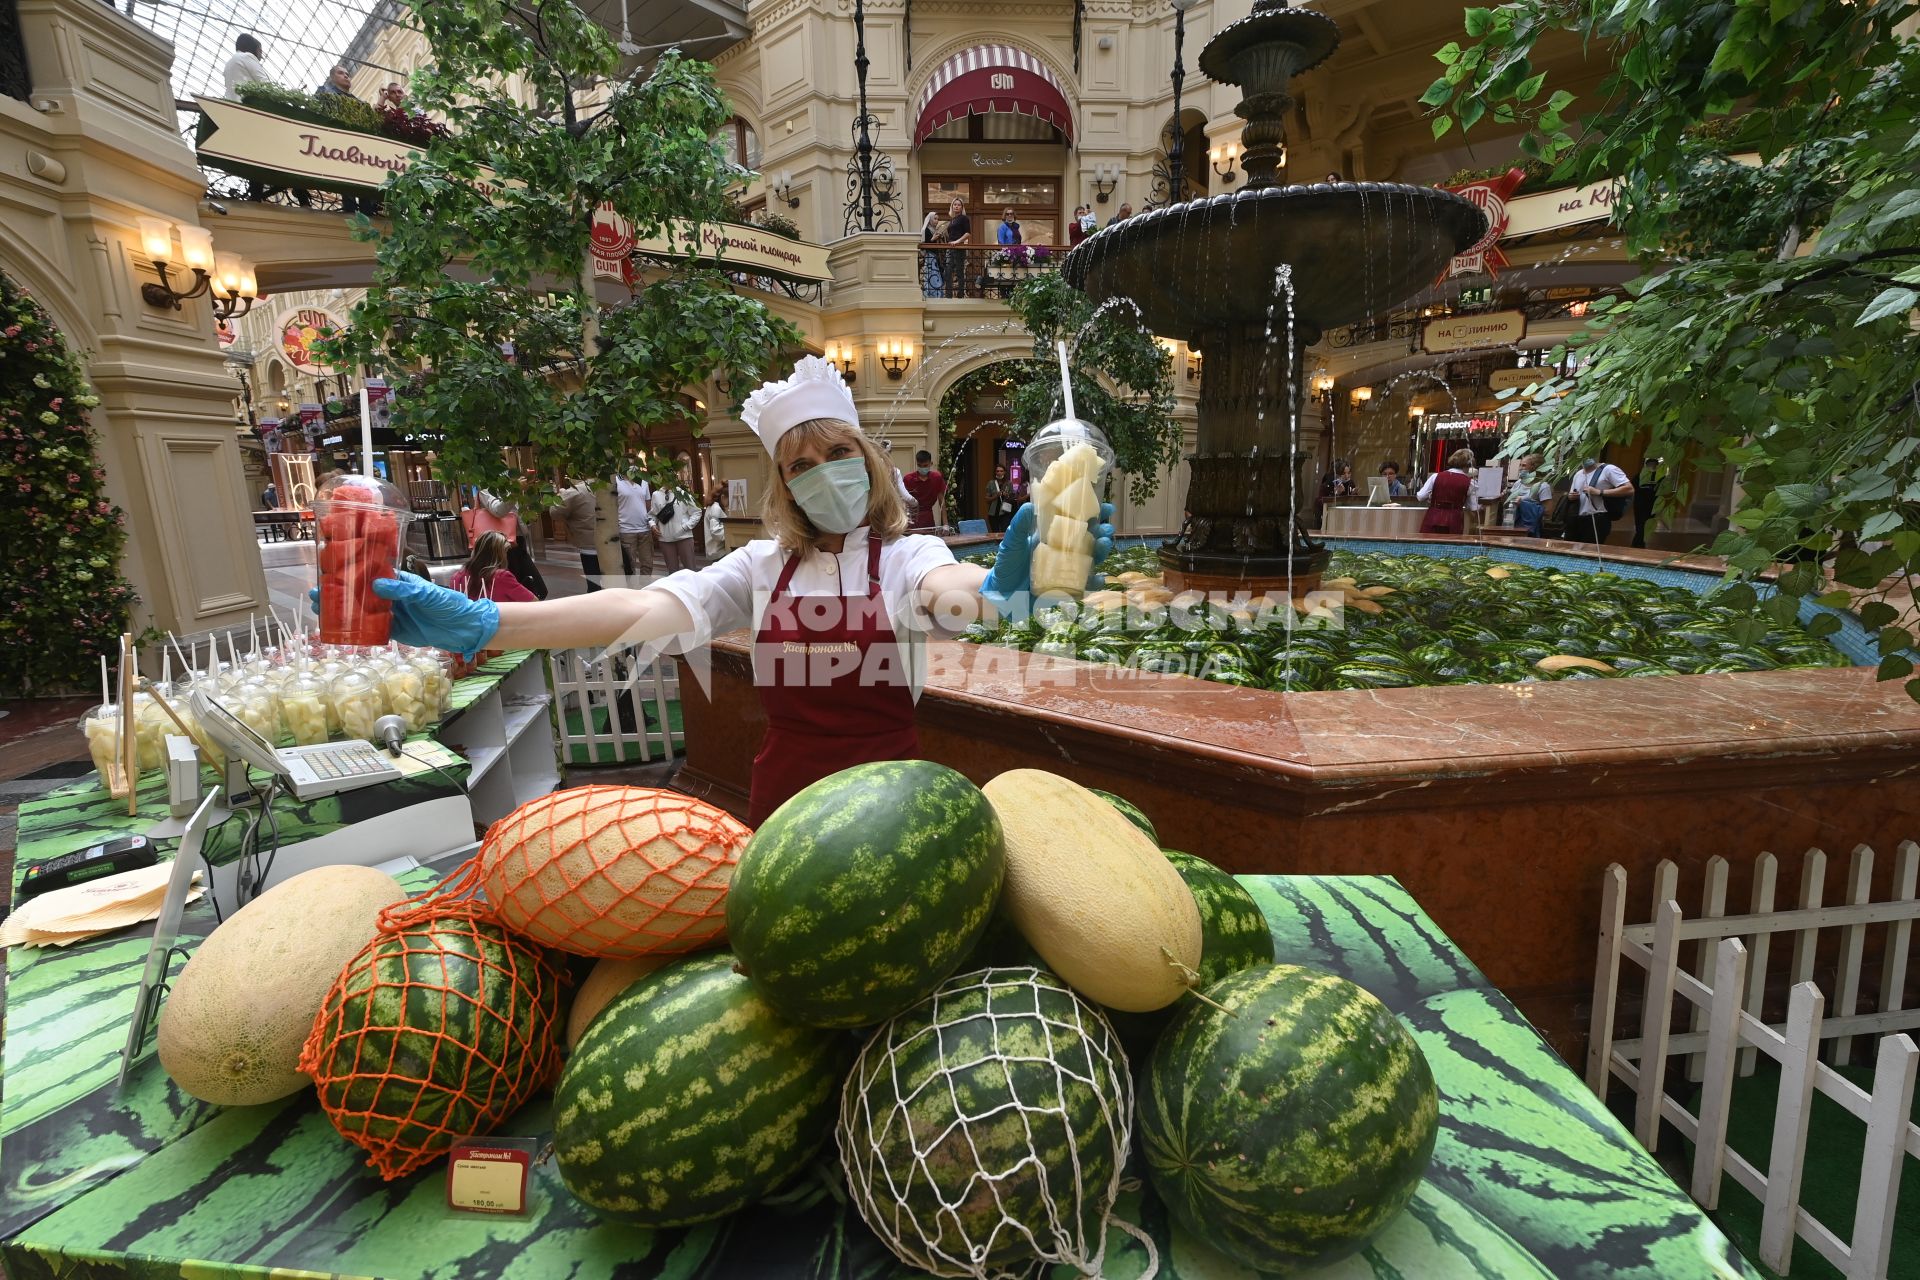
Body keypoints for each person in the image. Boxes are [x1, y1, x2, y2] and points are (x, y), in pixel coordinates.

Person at [339, 356, 1114, 823]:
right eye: (799, 465)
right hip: (784, 795)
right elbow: (645, 608)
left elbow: (956, 593)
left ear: (868, 461)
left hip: (894, 798)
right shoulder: (761, 567)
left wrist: (1009, 585)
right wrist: (486, 621)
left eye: (837, 453)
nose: (822, 473)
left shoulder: (906, 556)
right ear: (782, 484)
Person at [450, 530, 538, 603]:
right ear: (500, 554)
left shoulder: (456, 577)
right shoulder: (501, 577)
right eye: (506, 551)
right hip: (497, 622)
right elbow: (533, 601)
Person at [1567, 455, 1633, 545]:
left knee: (1590, 552)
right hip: (1577, 519)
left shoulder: (1608, 469)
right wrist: (1571, 497)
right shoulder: (1578, 474)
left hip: (1597, 519)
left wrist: (1599, 492)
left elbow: (1629, 489)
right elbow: (1572, 494)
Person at [1417, 448, 1480, 535]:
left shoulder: (1436, 476)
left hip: (1433, 517)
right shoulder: (1470, 483)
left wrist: (1432, 496)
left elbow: (1420, 496)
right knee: (1450, 546)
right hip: (1455, 521)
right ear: (1468, 466)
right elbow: (1474, 507)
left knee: (1428, 545)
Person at [559, 477, 605, 591]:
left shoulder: (575, 491)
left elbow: (555, 511)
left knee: (594, 585)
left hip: (589, 546)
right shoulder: (610, 486)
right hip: (613, 544)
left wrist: (562, 494)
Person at [651, 479, 699, 574]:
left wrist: (685, 527)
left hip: (684, 537)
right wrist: (652, 525)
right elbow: (653, 514)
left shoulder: (682, 493)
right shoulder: (656, 494)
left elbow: (697, 512)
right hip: (665, 538)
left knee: (690, 570)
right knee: (672, 572)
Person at [615, 471, 655, 577]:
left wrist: (650, 523)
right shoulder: (616, 481)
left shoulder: (643, 481)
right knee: (629, 567)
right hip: (625, 530)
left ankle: (644, 590)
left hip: (645, 530)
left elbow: (648, 506)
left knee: (647, 565)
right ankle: (631, 592)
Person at [1507, 453, 1554, 538]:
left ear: (1534, 468)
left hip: (1531, 530)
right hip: (1512, 525)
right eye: (1520, 465)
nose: (1520, 468)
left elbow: (1548, 511)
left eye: (1524, 466)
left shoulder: (1543, 486)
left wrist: (1524, 503)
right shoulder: (1518, 483)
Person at [903, 450, 947, 532]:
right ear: (916, 464)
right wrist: (903, 522)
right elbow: (903, 502)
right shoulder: (908, 479)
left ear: (931, 463)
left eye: (925, 465)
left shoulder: (937, 478)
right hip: (912, 520)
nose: (922, 468)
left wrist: (945, 524)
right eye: (920, 466)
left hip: (928, 519)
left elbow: (942, 501)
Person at [942, 197, 972, 299]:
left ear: (962, 207)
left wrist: (957, 242)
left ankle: (960, 296)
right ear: (952, 206)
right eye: (955, 204)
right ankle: (948, 295)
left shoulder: (964, 218)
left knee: (959, 272)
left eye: (958, 205)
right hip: (950, 248)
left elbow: (968, 233)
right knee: (948, 272)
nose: (956, 206)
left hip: (959, 248)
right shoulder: (953, 220)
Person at [1633, 458, 1662, 549]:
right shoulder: (1640, 475)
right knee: (1640, 523)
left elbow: (1662, 489)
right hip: (1640, 504)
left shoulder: (1660, 477)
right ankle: (1639, 541)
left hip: (1652, 505)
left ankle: (1639, 541)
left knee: (1646, 523)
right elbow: (1632, 487)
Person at [920, 210, 946, 297]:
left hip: (936, 256)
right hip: (930, 256)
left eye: (937, 219)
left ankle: (937, 294)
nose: (937, 221)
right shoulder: (925, 230)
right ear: (930, 219)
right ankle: (931, 294)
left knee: (936, 274)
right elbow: (923, 244)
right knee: (932, 274)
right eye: (935, 219)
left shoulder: (934, 230)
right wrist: (933, 238)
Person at [702, 481, 728, 563]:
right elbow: (715, 532)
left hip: (716, 550)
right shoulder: (716, 508)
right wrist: (730, 533)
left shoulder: (712, 506)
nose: (729, 503)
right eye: (729, 499)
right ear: (723, 497)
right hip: (718, 551)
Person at [985, 464, 1016, 533]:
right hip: (993, 513)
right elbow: (986, 499)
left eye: (1001, 471)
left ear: (1004, 472)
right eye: (997, 471)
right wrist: (996, 496)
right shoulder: (991, 483)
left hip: (1005, 512)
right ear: (995, 472)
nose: (999, 473)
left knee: (1004, 533)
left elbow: (1013, 498)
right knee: (995, 533)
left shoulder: (1009, 483)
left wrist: (1006, 495)